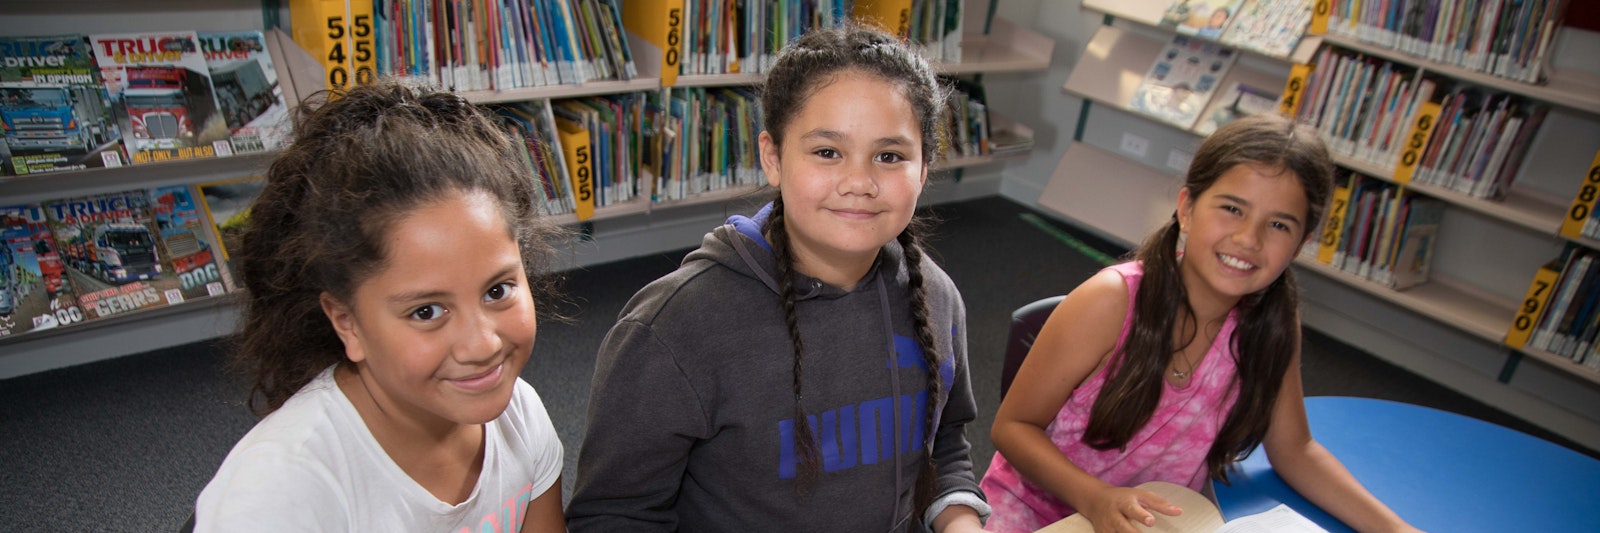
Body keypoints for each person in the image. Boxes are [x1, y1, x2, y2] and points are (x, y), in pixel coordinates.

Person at [566, 24, 988, 532]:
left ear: (924, 170)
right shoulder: (673, 328)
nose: (859, 182)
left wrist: (960, 520)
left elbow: (945, 444)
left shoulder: (936, 296)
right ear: (772, 157)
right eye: (827, 152)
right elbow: (613, 516)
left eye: (890, 156)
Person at [981, 114, 1421, 533]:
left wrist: (1395, 527)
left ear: (1301, 244)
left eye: (1279, 225)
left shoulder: (1272, 324)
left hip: (1159, 521)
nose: (1249, 239)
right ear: (1187, 208)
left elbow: (1295, 450)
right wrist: (1096, 499)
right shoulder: (1111, 301)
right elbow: (1013, 427)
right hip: (1036, 513)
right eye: (1232, 208)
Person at [193, 81, 567, 532]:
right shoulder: (281, 493)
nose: (482, 344)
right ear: (346, 323)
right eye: (427, 312)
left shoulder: (520, 414)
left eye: (497, 290)